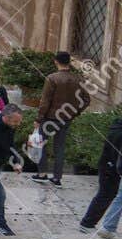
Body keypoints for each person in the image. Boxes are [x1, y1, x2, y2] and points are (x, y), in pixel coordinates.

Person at [32, 51, 89, 187]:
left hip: (50, 117)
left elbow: (45, 101)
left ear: (56, 61)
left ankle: (42, 174)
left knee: (40, 144)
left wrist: (39, 118)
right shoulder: (78, 79)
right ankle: (57, 178)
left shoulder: (52, 78)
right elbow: (86, 100)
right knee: (60, 148)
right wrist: (75, 113)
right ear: (69, 62)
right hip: (66, 118)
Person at [78, 112, 122, 236]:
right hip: (111, 167)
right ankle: (87, 223)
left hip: (108, 164)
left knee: (108, 194)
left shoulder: (117, 127)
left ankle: (89, 223)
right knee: (106, 194)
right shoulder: (119, 133)